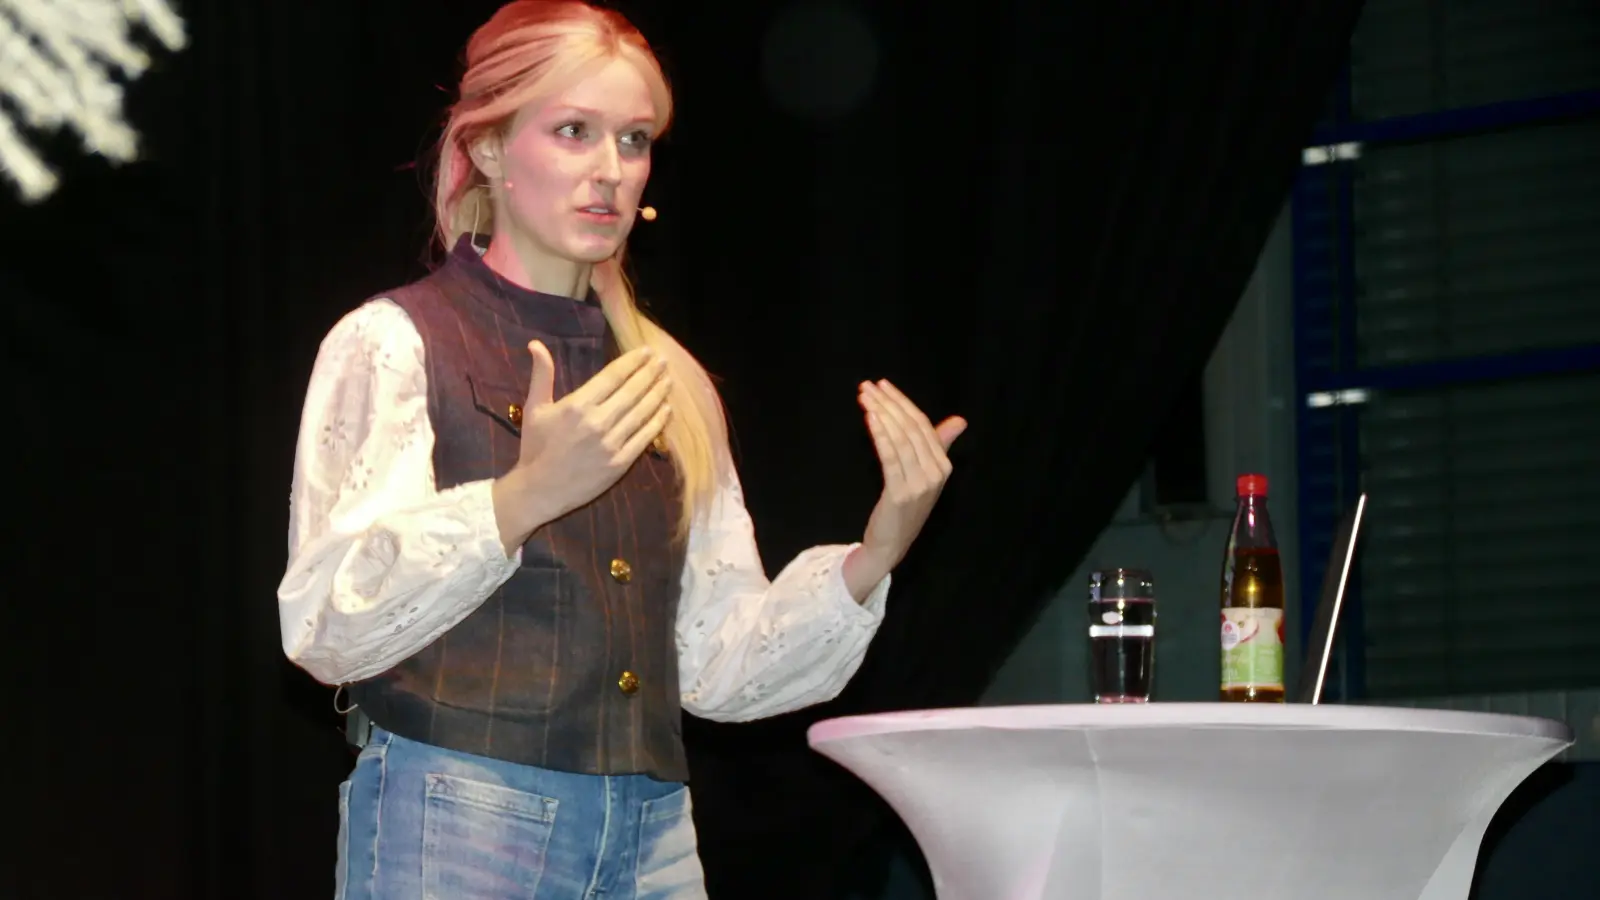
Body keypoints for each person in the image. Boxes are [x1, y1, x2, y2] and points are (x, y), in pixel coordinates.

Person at [276, 1, 965, 897]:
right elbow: (325, 624)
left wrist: (878, 553)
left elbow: (717, 662)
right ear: (488, 148)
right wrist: (521, 498)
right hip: (462, 811)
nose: (609, 171)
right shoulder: (395, 341)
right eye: (574, 132)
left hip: (653, 834)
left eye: (634, 141)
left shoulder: (669, 377)